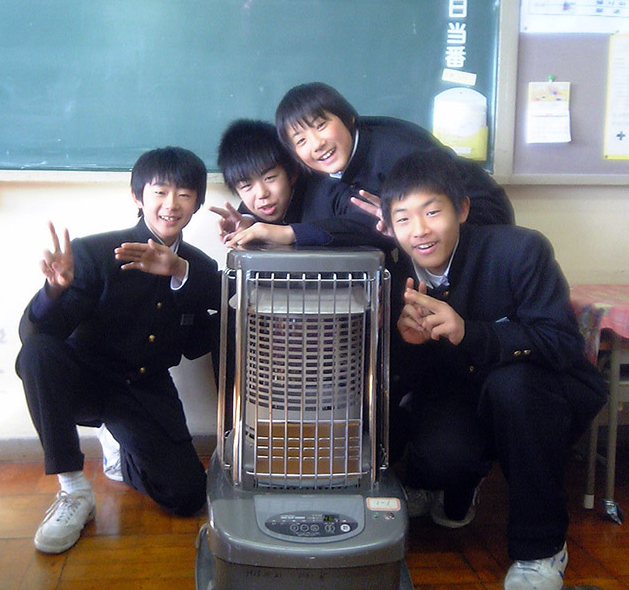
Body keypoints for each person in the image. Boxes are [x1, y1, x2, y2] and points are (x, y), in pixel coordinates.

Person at [377, 149, 605, 590]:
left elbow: (560, 343)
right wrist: (409, 347)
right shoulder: (390, 273)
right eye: (403, 218)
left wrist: (469, 332)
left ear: (461, 209)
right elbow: (409, 379)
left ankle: (540, 551)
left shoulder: (519, 249)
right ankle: (456, 485)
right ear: (388, 225)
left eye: (432, 211)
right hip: (460, 393)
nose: (419, 230)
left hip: (542, 390)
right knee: (443, 455)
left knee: (513, 388)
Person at [15, 147, 219, 554]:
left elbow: (200, 339)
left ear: (197, 202)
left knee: (187, 497)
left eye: (184, 194)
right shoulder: (93, 253)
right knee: (37, 353)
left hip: (144, 388)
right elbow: (37, 336)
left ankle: (119, 454)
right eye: (160, 191)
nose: (170, 204)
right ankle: (73, 491)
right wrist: (54, 289)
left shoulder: (198, 267)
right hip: (86, 380)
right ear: (137, 196)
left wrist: (180, 275)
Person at [274, 81, 514, 231]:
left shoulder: (399, 152)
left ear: (348, 118)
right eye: (301, 140)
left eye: (320, 125)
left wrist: (403, 220)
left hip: (479, 223)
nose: (316, 144)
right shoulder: (315, 172)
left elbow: (442, 211)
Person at [211, 118, 384, 248]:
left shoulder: (327, 190)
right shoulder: (253, 208)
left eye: (269, 178)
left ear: (292, 173)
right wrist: (248, 221)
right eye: (246, 186)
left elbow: (375, 222)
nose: (262, 193)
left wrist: (291, 233)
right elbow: (247, 213)